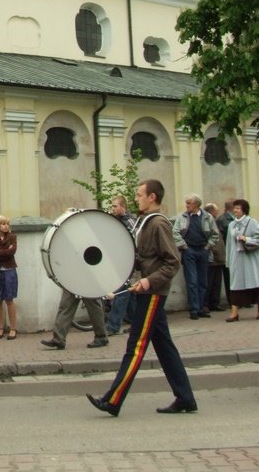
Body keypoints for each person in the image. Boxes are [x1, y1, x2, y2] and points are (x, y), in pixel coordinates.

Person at [87, 179, 198, 417]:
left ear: (152, 197)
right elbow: (145, 258)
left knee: (135, 346)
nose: (135, 198)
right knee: (164, 347)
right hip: (146, 291)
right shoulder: (144, 223)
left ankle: (113, 400)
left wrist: (148, 280)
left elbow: (172, 262)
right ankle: (185, 397)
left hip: (153, 293)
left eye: (139, 194)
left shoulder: (158, 224)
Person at [172, 194, 220, 319]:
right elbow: (175, 232)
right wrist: (184, 246)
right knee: (192, 281)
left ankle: (201, 308)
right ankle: (194, 309)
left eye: (189, 203)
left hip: (203, 250)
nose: (186, 205)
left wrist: (208, 247)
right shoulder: (182, 217)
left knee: (203, 281)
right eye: (186, 203)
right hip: (189, 251)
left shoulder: (207, 217)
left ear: (196, 205)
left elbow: (215, 234)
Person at [224, 199, 259, 322]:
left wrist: (246, 239)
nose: (235, 210)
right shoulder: (231, 225)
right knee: (235, 285)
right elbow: (229, 244)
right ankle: (234, 312)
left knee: (255, 283)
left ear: (244, 210)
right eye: (234, 208)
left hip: (250, 258)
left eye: (238, 208)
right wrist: (228, 260)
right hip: (237, 258)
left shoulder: (252, 222)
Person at [104, 196, 137, 336]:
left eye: (115, 206)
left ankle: (113, 326)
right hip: (115, 261)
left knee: (120, 293)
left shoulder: (130, 222)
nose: (113, 209)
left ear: (123, 207)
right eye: (112, 206)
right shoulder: (112, 221)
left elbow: (135, 241)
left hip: (127, 262)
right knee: (126, 293)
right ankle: (137, 322)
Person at [41, 291, 108, 350]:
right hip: (72, 279)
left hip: (86, 280)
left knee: (92, 305)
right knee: (66, 305)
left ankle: (101, 337)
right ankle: (58, 339)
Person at [204, 202, 226, 313]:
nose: (217, 212)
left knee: (217, 283)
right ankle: (206, 303)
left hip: (219, 258)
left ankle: (215, 303)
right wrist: (214, 251)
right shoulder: (207, 222)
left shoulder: (215, 222)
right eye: (216, 210)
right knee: (209, 282)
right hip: (212, 258)